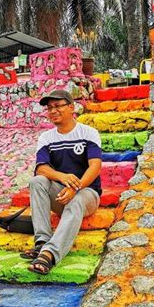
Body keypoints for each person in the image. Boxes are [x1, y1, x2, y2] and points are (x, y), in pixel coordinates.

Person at [20, 89, 102, 274]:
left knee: (76, 199)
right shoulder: (46, 138)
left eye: (58, 106)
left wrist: (76, 186)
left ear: (71, 107)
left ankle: (50, 253)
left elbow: (95, 166)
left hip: (87, 193)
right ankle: (42, 241)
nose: (53, 111)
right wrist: (63, 177)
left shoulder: (88, 133)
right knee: (37, 181)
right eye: (49, 108)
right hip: (60, 192)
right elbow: (41, 168)